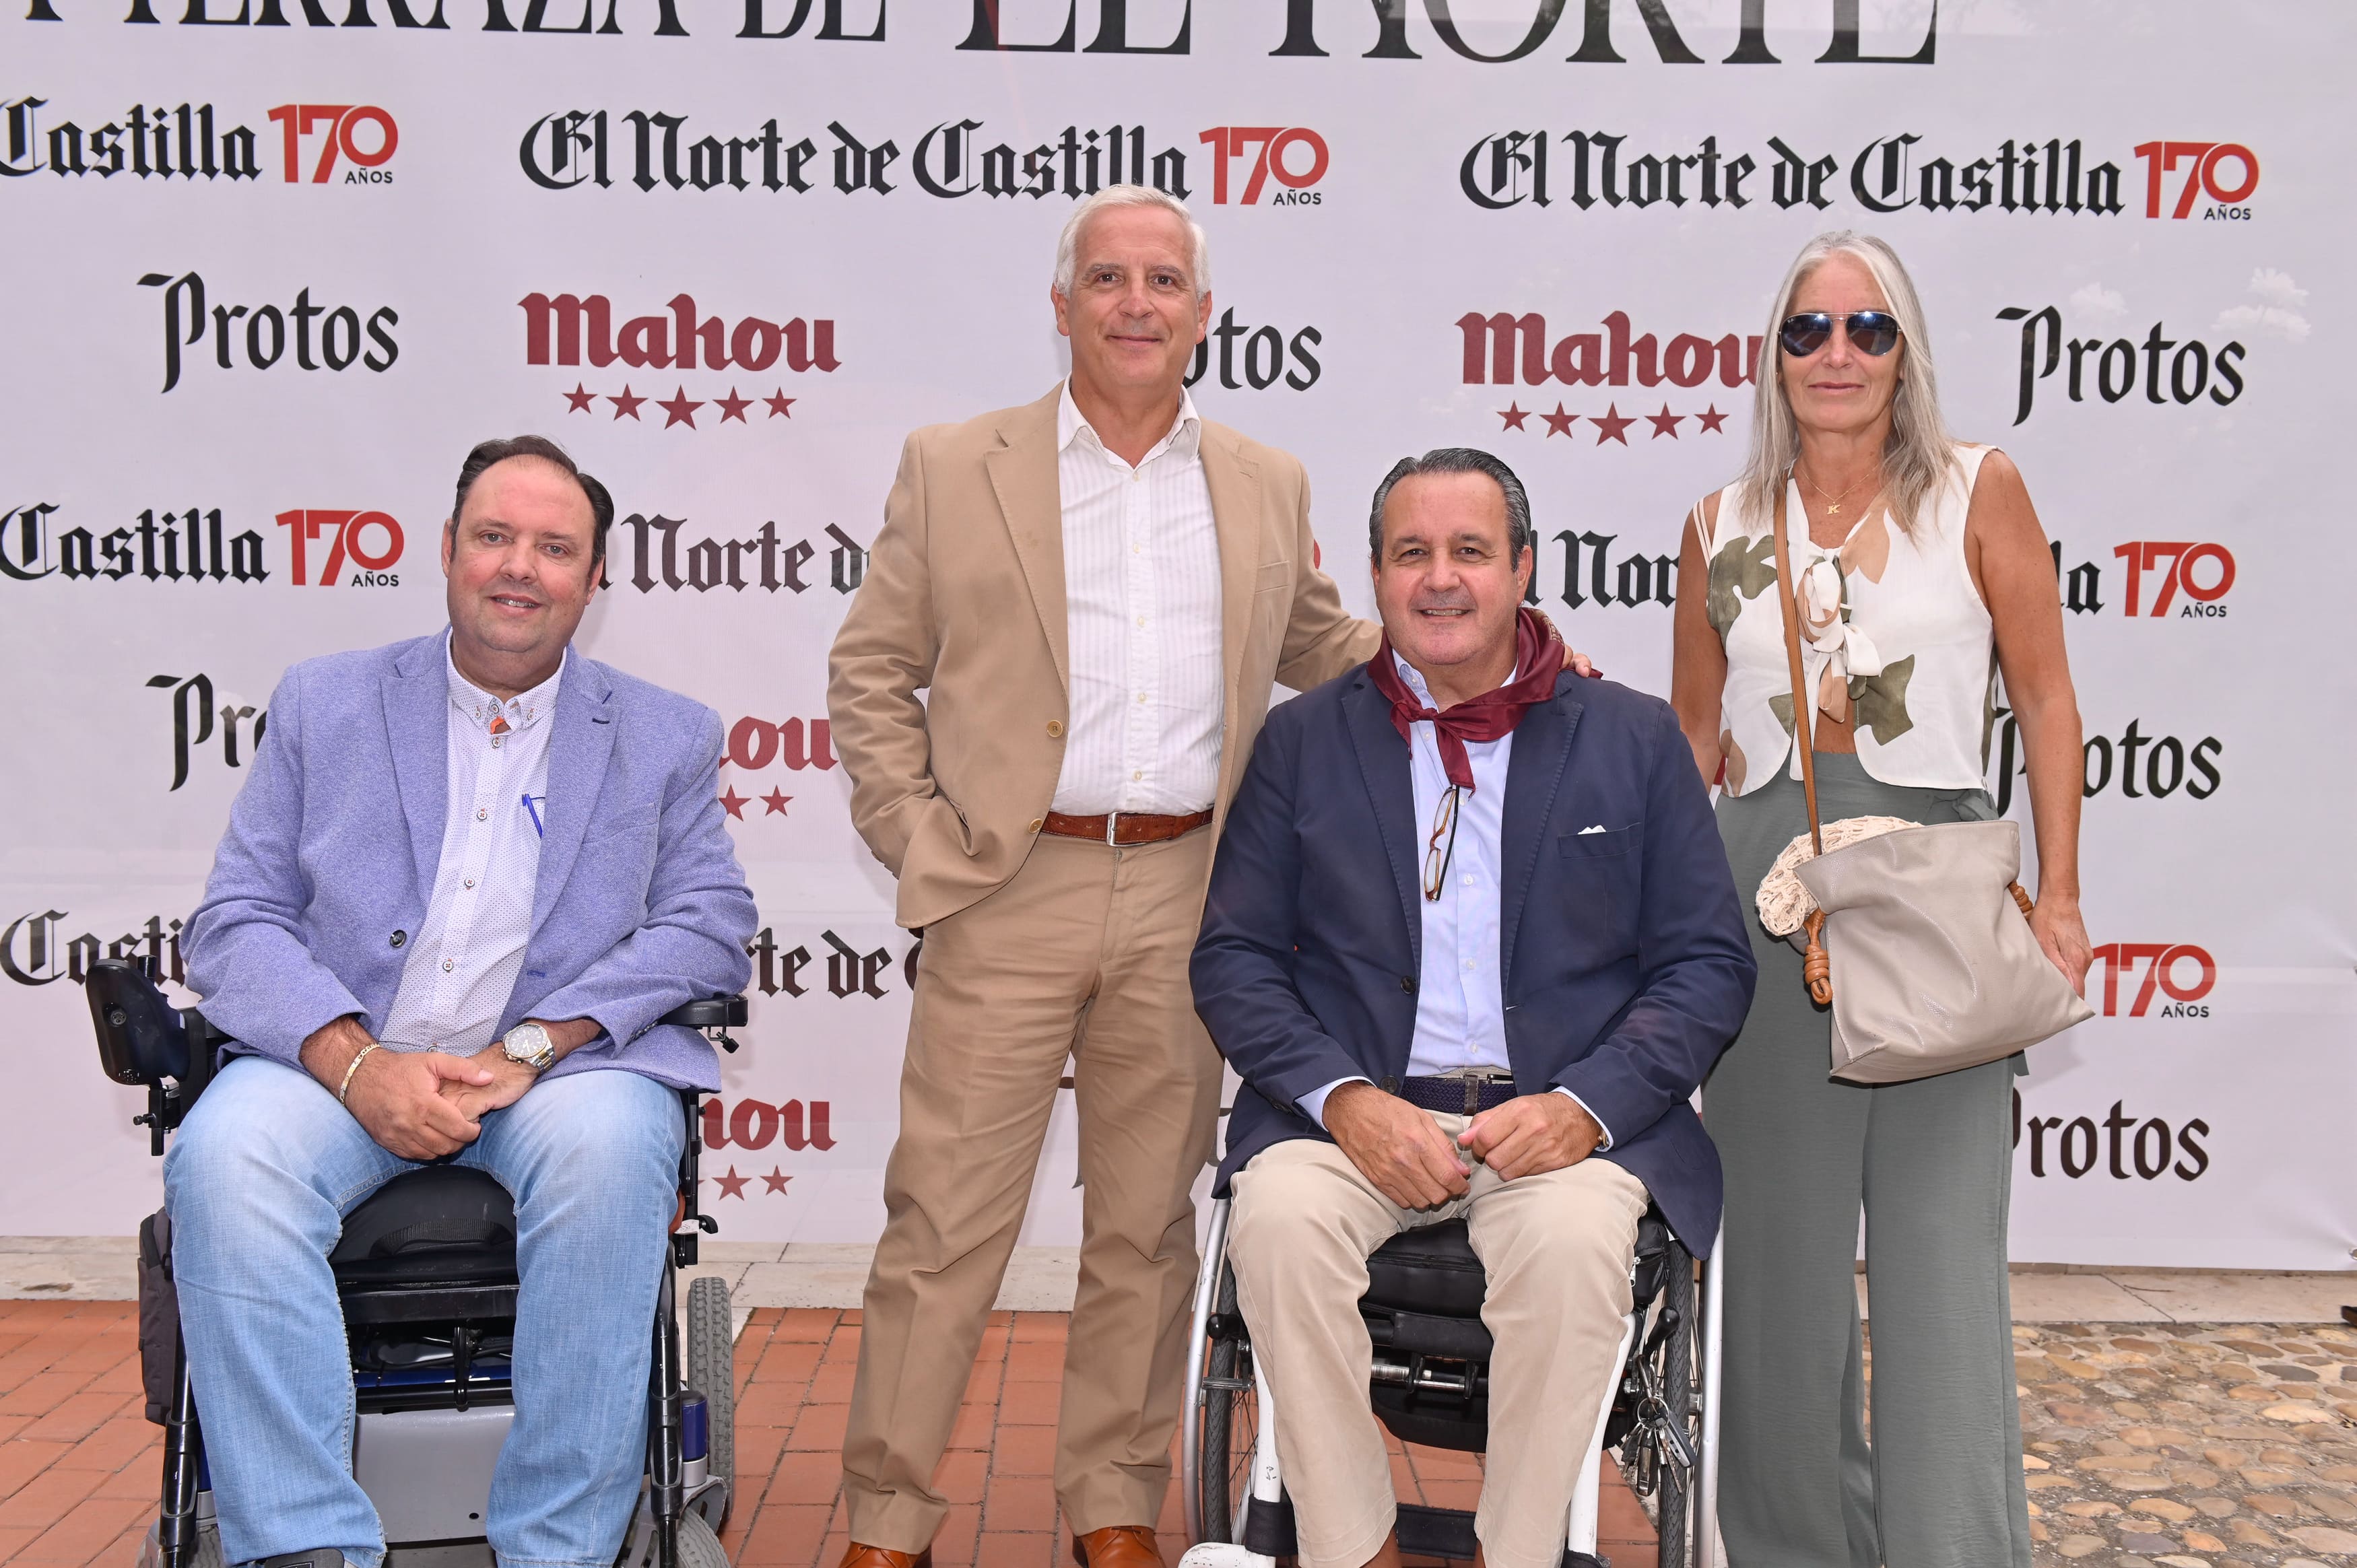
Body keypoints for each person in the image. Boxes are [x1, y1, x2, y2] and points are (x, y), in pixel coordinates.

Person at [822, 181, 1394, 1568]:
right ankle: (887, 1523)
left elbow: (1326, 651)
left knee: (1142, 1230)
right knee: (943, 1222)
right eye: (1108, 278)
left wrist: (1494, 667)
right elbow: (869, 672)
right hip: (1008, 889)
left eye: (1161, 281)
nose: (1135, 302)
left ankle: (1115, 1505)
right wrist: (924, 843)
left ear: (1203, 314)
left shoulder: (1264, 481)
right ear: (1064, 303)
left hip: (1195, 897)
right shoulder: (957, 464)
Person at [169, 436, 758, 1568]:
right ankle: (304, 1545)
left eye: (554, 547)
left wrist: (536, 1044)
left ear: (594, 579)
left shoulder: (664, 732)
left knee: (609, 1154)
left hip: (553, 1076)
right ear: (445, 551)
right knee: (221, 1158)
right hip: (340, 1067)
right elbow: (234, 921)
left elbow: (707, 923)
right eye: (494, 537)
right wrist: (357, 1066)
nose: (519, 568)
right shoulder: (323, 702)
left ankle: (555, 1549)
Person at [1193, 448, 1757, 1568]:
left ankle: (1520, 1553)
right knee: (1277, 1223)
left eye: (1469, 551)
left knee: (1572, 1246)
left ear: (1525, 569)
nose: (1440, 579)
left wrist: (1585, 1106)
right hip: (1353, 1119)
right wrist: (1346, 1100)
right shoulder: (1305, 743)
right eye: (1412, 553)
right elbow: (1236, 958)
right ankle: (1356, 1548)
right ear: (1375, 576)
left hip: (1561, 1125)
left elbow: (1705, 964)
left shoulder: (1632, 738)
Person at [1668, 232, 2093, 1568]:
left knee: (1935, 1264)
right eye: (1807, 330)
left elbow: (2048, 703)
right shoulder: (1717, 523)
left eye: (1866, 330)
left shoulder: (1979, 488)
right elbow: (1692, 740)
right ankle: (1793, 1548)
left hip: (1938, 897)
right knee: (1781, 1270)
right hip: (1762, 902)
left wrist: (2063, 896)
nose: (1835, 356)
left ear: (1904, 350)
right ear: (1773, 351)